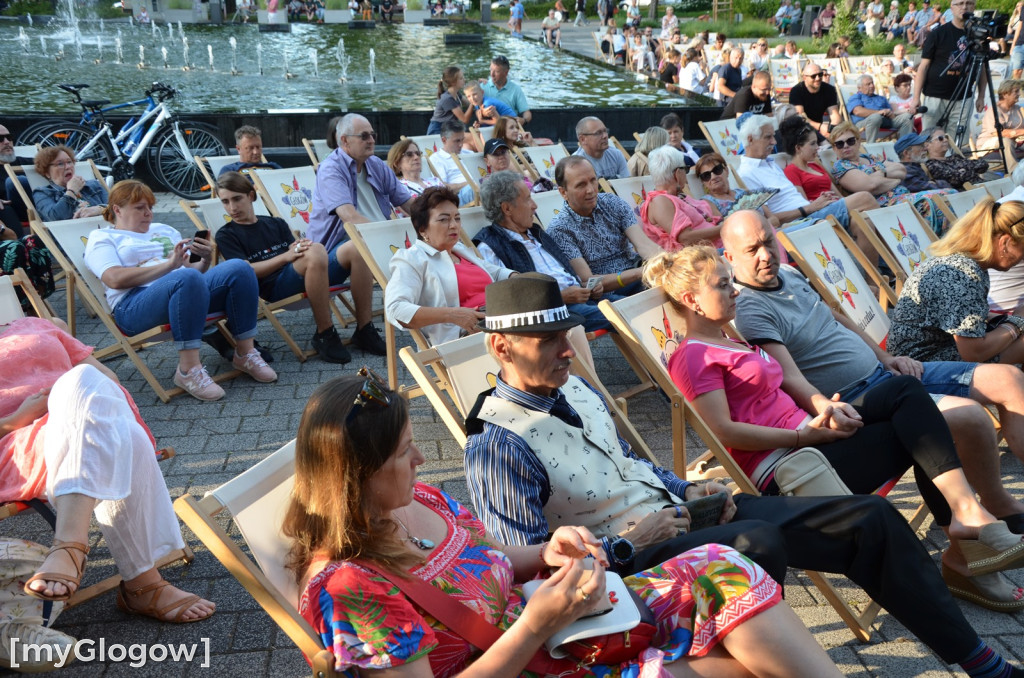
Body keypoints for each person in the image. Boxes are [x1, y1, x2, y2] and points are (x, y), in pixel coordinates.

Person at [464, 272, 1024, 677]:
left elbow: (628, 463)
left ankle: (974, 657)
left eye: (567, 336)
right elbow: (536, 572)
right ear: (500, 347)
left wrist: (689, 487)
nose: (568, 351)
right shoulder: (497, 441)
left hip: (679, 518)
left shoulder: (573, 387)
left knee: (869, 517)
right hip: (628, 568)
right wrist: (631, 544)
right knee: (756, 539)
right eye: (549, 342)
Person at [286, 372, 845, 678]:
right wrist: (534, 622)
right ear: (355, 475)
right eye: (406, 453)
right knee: (741, 663)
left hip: (561, 638)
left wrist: (547, 549)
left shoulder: (416, 497)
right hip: (530, 656)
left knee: (723, 568)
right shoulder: (349, 588)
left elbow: (486, 560)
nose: (422, 461)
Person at [657, 238, 1024, 607]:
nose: (733, 289)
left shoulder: (729, 341)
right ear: (691, 301)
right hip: (792, 472)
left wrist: (825, 414)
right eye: (722, 284)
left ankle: (965, 521)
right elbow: (724, 432)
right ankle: (964, 539)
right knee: (925, 426)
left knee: (907, 394)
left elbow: (781, 391)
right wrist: (803, 435)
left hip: (812, 440)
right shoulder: (694, 357)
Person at [0, 316, 215, 625]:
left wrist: (74, 405)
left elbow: (107, 378)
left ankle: (69, 548)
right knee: (119, 435)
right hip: (17, 444)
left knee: (86, 381)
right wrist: (18, 418)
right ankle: (142, 584)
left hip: (81, 416)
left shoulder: (39, 323)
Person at [83, 180, 276, 401]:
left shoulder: (164, 230)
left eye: (150, 207)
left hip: (183, 292)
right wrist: (169, 266)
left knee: (239, 268)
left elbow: (194, 272)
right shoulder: (102, 239)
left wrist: (204, 259)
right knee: (185, 277)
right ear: (117, 209)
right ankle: (188, 370)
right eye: (140, 208)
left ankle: (245, 353)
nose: (148, 214)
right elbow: (114, 279)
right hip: (133, 305)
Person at [214, 171, 379, 364]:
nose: (232, 207)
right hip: (275, 287)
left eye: (237, 199)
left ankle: (365, 329)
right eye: (225, 202)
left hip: (304, 276)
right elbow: (246, 271)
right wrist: (286, 256)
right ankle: (325, 333)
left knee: (355, 247)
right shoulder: (227, 235)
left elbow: (296, 252)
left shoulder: (275, 223)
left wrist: (299, 247)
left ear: (251, 196)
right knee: (316, 250)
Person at [889, 198, 1024, 367]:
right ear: (1005, 243)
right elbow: (974, 353)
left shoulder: (966, 263)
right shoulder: (962, 274)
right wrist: (1016, 322)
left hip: (933, 350)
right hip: (918, 365)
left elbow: (967, 318)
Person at [474, 171, 612, 333]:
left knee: (638, 305)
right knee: (624, 315)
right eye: (527, 199)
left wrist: (585, 288)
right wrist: (561, 297)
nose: (535, 205)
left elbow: (562, 275)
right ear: (507, 208)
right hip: (553, 313)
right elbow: (508, 303)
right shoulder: (490, 246)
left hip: (583, 301)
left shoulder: (537, 233)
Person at [384, 186, 514, 346]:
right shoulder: (412, 258)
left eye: (457, 218)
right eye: (444, 219)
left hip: (500, 316)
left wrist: (519, 278)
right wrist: (452, 315)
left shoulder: (459, 250)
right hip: (470, 333)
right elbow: (395, 309)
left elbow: (496, 273)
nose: (454, 225)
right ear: (423, 228)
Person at [737, 115, 877, 230]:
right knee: (865, 198)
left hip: (811, 211)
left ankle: (886, 263)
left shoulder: (770, 163)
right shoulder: (746, 174)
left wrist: (815, 203)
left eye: (774, 136)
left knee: (862, 223)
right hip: (801, 220)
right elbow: (770, 219)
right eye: (768, 137)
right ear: (750, 139)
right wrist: (809, 208)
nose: (774, 141)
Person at [547, 157, 662, 296]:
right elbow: (589, 282)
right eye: (581, 185)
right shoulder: (560, 230)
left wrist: (664, 261)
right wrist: (641, 272)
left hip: (637, 273)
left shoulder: (612, 203)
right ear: (563, 192)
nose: (590, 190)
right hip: (608, 292)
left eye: (593, 180)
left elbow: (643, 244)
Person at [308, 114, 415, 254]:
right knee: (358, 248)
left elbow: (408, 203)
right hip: (341, 248)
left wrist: (433, 218)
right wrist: (387, 238)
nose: (371, 140)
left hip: (382, 240)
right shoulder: (331, 169)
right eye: (364, 136)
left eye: (372, 135)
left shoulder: (376, 164)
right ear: (345, 140)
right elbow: (350, 217)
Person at [829, 122, 953, 235]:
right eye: (839, 144)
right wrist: (890, 177)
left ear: (858, 141)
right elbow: (869, 186)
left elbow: (901, 171)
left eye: (850, 141)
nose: (845, 146)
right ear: (834, 149)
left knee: (950, 194)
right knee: (939, 199)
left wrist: (879, 174)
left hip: (903, 198)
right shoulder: (841, 167)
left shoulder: (869, 157)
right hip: (886, 206)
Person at [913, 0, 986, 137]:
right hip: (935, 96)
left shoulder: (979, 36)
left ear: (974, 6)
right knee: (931, 141)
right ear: (951, 8)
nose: (964, 7)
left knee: (957, 142)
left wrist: (981, 96)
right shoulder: (938, 33)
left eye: (969, 3)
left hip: (963, 98)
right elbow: (923, 66)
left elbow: (982, 67)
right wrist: (916, 97)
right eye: (960, 3)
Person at [639, 147, 721, 251]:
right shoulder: (660, 202)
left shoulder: (679, 196)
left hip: (718, 248)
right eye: (685, 169)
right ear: (677, 173)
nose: (686, 178)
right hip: (702, 257)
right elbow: (685, 238)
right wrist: (725, 228)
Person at [695, 152, 781, 229]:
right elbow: (725, 229)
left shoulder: (744, 192)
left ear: (726, 171)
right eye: (706, 176)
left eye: (717, 170)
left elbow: (774, 219)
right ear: (703, 182)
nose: (713, 177)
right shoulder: (707, 203)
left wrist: (760, 227)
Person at [31, 146, 107, 222]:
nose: (68, 167)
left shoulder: (93, 185)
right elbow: (54, 217)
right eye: (60, 164)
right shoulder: (42, 193)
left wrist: (100, 209)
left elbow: (116, 207)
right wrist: (71, 191)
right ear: (47, 173)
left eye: (69, 162)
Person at [781, 117, 843, 202]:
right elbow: (804, 205)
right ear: (798, 148)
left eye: (817, 143)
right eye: (813, 144)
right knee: (864, 196)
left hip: (836, 205)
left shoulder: (815, 166)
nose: (817, 147)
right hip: (819, 211)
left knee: (862, 197)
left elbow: (840, 197)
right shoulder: (791, 171)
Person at [847, 74, 915, 142]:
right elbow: (858, 111)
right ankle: (871, 146)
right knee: (876, 117)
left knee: (908, 117)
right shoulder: (855, 97)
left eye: (872, 83)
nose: (872, 86)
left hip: (885, 121)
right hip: (864, 123)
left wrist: (890, 114)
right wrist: (878, 112)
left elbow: (893, 116)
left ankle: (904, 146)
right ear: (859, 88)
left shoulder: (881, 98)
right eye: (868, 84)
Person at [922, 126, 989, 190]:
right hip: (968, 194)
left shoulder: (955, 157)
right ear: (927, 145)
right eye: (940, 138)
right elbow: (956, 179)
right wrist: (968, 169)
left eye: (946, 137)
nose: (945, 140)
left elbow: (983, 164)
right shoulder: (931, 165)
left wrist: (963, 170)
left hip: (982, 186)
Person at [789, 63, 842, 139]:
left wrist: (832, 129)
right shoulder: (796, 91)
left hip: (819, 130)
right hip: (800, 129)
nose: (817, 78)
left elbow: (835, 115)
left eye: (820, 74)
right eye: (813, 76)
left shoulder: (829, 89)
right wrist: (820, 127)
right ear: (804, 78)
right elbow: (800, 117)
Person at [977, 79, 1024, 160]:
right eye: (1016, 91)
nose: (1019, 94)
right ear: (1005, 94)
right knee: (1006, 141)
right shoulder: (994, 110)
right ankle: (1012, 170)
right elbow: (998, 133)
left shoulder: (1018, 109)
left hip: (1014, 144)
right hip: (989, 146)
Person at [573, 116, 629, 180]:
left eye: (605, 131)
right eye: (598, 133)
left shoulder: (616, 154)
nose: (605, 136)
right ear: (582, 139)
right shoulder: (576, 164)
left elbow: (626, 182)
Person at [0, 123, 32, 231]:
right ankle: (20, 245)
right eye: (0, 139)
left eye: (9, 137)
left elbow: (54, 161)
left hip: (39, 207)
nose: (7, 142)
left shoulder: (23, 162)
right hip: (11, 213)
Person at [482, 55, 532, 125]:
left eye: (496, 71)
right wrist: (482, 112)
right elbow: (471, 104)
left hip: (509, 129)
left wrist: (524, 120)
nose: (492, 74)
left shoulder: (516, 89)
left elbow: (527, 112)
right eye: (491, 70)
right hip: (488, 128)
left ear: (506, 72)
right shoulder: (483, 87)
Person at [426, 67, 475, 136]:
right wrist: (473, 101)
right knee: (472, 138)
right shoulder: (447, 99)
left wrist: (477, 89)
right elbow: (464, 119)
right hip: (437, 132)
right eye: (461, 78)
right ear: (453, 82)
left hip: (448, 130)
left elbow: (469, 103)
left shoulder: (456, 94)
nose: (464, 80)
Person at [429, 121, 473, 196]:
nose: (461, 144)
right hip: (458, 196)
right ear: (444, 140)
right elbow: (443, 188)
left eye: (462, 140)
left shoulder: (469, 154)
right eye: (457, 141)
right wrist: (471, 183)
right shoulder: (436, 159)